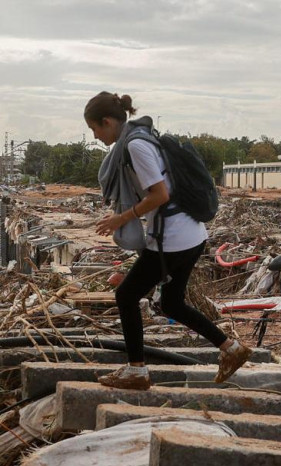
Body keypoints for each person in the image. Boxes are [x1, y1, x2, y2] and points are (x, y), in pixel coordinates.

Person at [85, 91, 251, 390]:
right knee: (172, 302)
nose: (95, 136)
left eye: (95, 129)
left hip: (172, 238)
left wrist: (121, 219)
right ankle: (232, 349)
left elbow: (161, 194)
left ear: (107, 122)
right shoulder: (141, 137)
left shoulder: (135, 146)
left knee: (126, 296)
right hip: (191, 234)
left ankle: (136, 371)